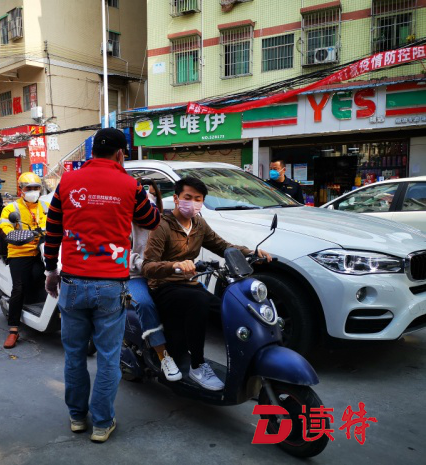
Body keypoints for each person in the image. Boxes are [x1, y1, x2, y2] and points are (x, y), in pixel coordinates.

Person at [43, 128, 160, 443]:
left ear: (92, 151)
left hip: (72, 282)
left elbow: (52, 230)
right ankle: (102, 423)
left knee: (74, 355)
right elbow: (151, 221)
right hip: (111, 284)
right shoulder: (130, 185)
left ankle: (77, 417)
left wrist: (50, 270)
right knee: (108, 357)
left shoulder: (67, 181)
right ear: (120, 154)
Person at [142, 177, 272, 391]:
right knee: (199, 301)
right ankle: (197, 366)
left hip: (188, 284)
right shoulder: (161, 226)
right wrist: (175, 265)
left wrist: (251, 252)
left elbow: (222, 246)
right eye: (188, 197)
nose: (193, 203)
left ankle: (246, 365)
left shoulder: (199, 224)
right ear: (176, 198)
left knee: (229, 309)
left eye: (198, 199)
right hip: (164, 286)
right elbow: (148, 266)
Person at [129, 180, 181, 381]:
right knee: (145, 304)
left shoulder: (162, 220)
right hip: (134, 276)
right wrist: (145, 265)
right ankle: (163, 355)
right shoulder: (124, 222)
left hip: (160, 273)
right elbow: (121, 254)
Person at [0, 172, 48, 349]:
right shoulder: (11, 208)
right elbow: (5, 228)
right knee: (19, 287)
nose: (33, 191)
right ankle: (13, 329)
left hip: (43, 250)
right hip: (20, 252)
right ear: (21, 190)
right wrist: (21, 235)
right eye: (29, 188)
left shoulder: (46, 206)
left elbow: (60, 222)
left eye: (36, 188)